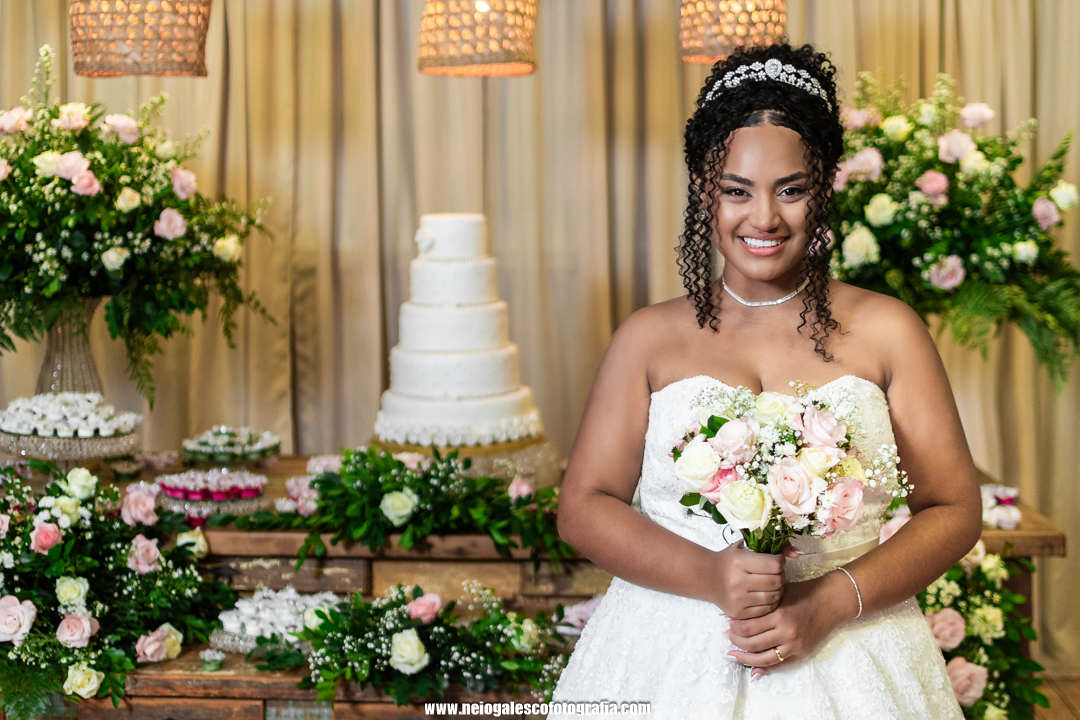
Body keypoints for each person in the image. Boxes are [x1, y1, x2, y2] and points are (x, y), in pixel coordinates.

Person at [550, 42, 983, 719]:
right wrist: (709, 575)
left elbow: (955, 509)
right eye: (737, 190)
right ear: (705, 191)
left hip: (852, 648)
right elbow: (583, 506)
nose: (764, 218)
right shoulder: (647, 338)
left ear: (825, 187)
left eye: (791, 189)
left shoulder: (889, 331)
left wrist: (831, 601)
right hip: (667, 654)